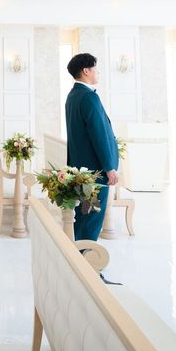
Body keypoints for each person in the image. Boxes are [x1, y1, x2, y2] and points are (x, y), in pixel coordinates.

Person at [65, 53, 119, 242]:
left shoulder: (73, 95)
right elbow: (99, 135)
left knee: (85, 214)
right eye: (95, 68)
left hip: (81, 169)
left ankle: (80, 251)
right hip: (94, 171)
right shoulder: (88, 97)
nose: (98, 72)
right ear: (86, 71)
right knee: (92, 217)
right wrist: (109, 167)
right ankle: (86, 254)